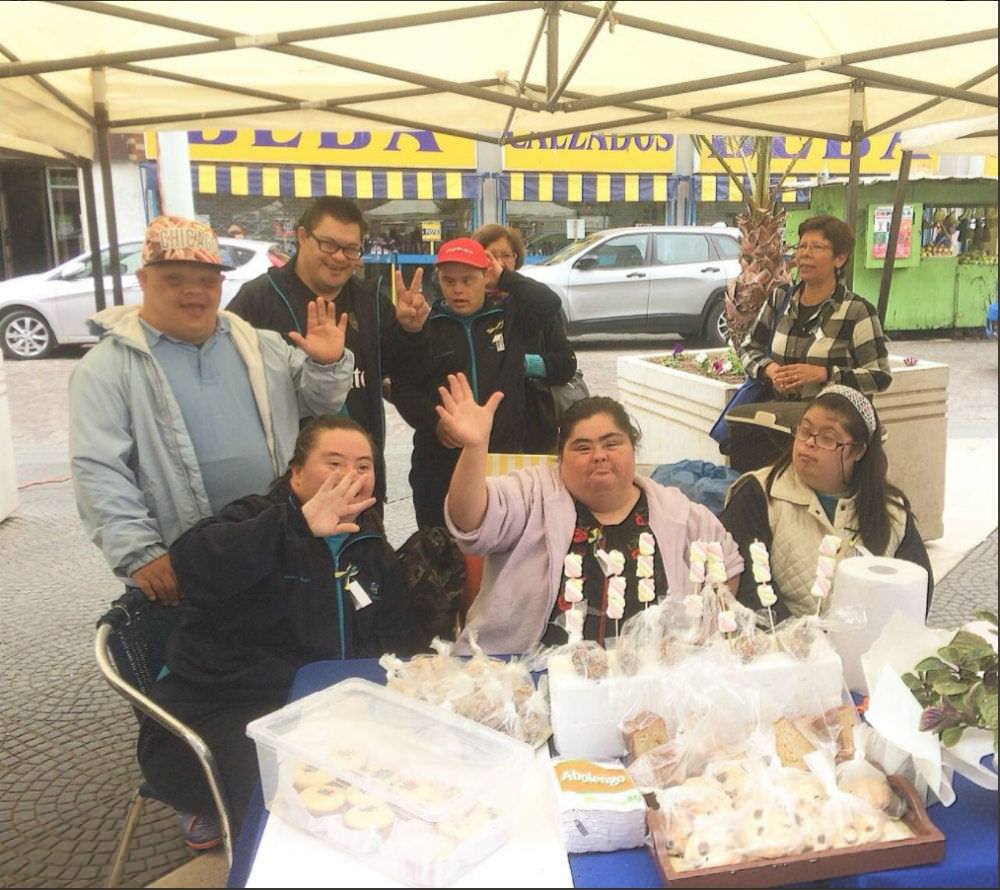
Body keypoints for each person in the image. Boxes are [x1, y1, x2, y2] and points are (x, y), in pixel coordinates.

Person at [70, 214, 353, 851]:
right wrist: (139, 552)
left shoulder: (256, 343)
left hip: (274, 544)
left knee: (263, 663)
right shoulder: (107, 368)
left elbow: (319, 401)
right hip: (184, 565)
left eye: (205, 278)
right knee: (194, 677)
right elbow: (98, 469)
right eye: (175, 278)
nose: (194, 291)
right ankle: (199, 789)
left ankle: (285, 770)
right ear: (144, 279)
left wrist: (328, 362)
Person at [136, 415, 429, 848]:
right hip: (216, 718)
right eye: (334, 463)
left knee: (413, 770)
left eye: (364, 466)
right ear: (296, 474)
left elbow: (397, 638)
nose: (351, 475)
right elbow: (194, 564)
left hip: (323, 717)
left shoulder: (370, 548)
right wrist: (295, 527)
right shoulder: (255, 519)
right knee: (297, 806)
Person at [438, 373, 743, 654]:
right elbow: (470, 520)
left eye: (612, 444)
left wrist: (700, 636)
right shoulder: (531, 493)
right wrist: (474, 449)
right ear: (560, 457)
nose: (599, 456)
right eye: (583, 448)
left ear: (633, 449)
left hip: (648, 678)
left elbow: (727, 563)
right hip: (528, 674)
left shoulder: (675, 510)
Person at [226, 196, 429, 503]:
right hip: (285, 485)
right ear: (302, 236)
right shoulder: (258, 299)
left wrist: (411, 332)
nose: (339, 257)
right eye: (328, 245)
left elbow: (401, 373)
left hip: (359, 482)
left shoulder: (371, 300)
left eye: (351, 249)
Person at [719, 384, 933, 623]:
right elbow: (747, 590)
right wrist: (802, 637)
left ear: (858, 451)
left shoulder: (892, 512)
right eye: (805, 431)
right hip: (780, 642)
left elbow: (915, 593)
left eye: (827, 438)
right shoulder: (759, 493)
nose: (810, 443)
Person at [390, 237, 566, 528]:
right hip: (440, 463)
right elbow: (403, 388)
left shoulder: (509, 318)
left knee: (504, 541)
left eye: (468, 280)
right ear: (438, 281)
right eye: (449, 281)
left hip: (500, 457)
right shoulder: (427, 325)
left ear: (485, 277)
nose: (458, 290)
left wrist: (505, 277)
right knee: (441, 545)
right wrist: (436, 423)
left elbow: (549, 303)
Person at [729, 214, 893, 470]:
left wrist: (824, 374)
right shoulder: (780, 299)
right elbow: (749, 348)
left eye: (817, 247)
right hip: (775, 430)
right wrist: (769, 369)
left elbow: (880, 376)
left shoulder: (857, 311)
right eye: (802, 246)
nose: (805, 254)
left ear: (840, 258)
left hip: (828, 440)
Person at [472, 223, 578, 453]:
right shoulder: (468, 303)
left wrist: (523, 364)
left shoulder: (533, 302)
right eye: (490, 256)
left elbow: (566, 364)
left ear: (517, 259)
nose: (498, 263)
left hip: (532, 426)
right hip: (480, 426)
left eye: (506, 256)